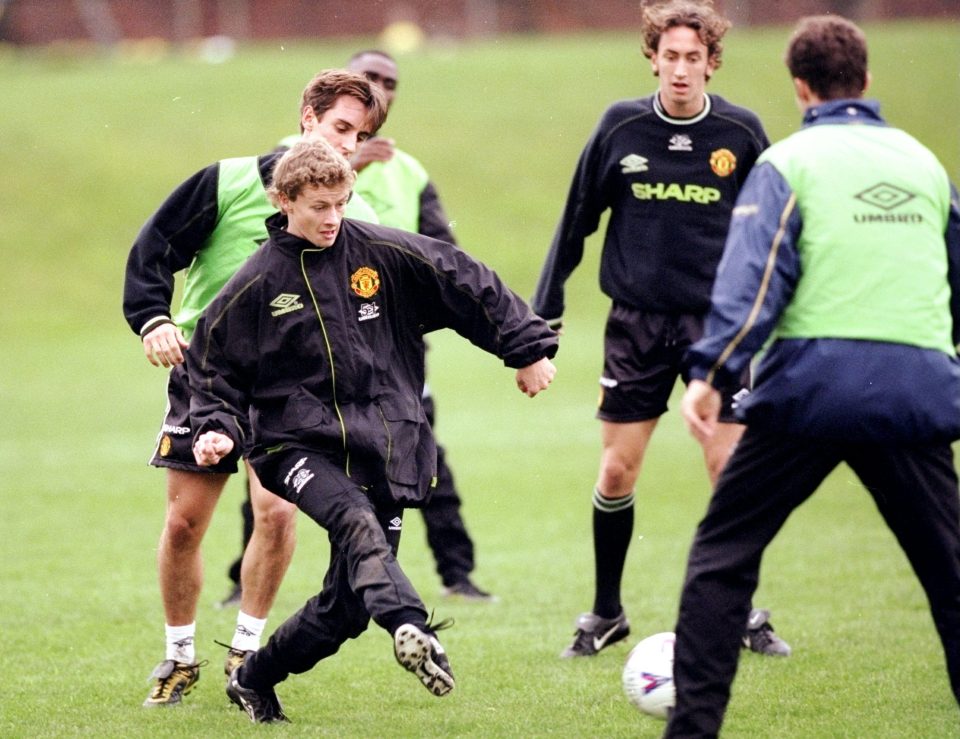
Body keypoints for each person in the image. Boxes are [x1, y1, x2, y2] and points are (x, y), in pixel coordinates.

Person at [187, 138, 558, 723]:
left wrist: (526, 348)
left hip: (380, 443)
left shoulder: (380, 252)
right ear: (284, 201)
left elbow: (465, 279)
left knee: (345, 607)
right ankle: (411, 624)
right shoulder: (257, 283)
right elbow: (209, 363)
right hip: (292, 446)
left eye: (341, 203)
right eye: (319, 207)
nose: (333, 218)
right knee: (355, 522)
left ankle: (254, 678)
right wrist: (216, 427)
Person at [667, 15, 960, 735]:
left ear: (800, 88)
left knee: (722, 559)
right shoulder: (925, 165)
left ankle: (693, 726)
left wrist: (710, 372)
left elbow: (755, 282)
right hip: (914, 394)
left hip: (812, 390)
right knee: (951, 575)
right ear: (866, 80)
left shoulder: (788, 164)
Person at [531, 0, 789, 658]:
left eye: (692, 58)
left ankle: (742, 610)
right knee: (617, 470)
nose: (680, 70)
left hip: (719, 327)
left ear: (711, 62)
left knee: (728, 467)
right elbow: (575, 219)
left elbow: (774, 229)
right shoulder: (621, 128)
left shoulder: (741, 132)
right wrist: (543, 315)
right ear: (652, 57)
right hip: (635, 325)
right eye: (669, 56)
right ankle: (606, 611)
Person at [122, 69, 388, 707]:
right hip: (206, 372)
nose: (348, 144)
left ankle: (246, 653)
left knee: (274, 513)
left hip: (289, 388)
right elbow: (152, 249)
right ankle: (179, 655)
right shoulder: (228, 181)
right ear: (306, 117)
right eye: (340, 127)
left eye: (363, 135)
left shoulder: (355, 215)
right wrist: (154, 320)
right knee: (186, 523)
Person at [220, 49, 495, 606]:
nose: (381, 88)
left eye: (389, 83)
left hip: (385, 343)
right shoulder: (282, 163)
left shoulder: (408, 169)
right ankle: (241, 583)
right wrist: (348, 176)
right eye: (369, 80)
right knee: (274, 471)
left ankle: (457, 573)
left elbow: (441, 254)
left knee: (425, 455)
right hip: (297, 349)